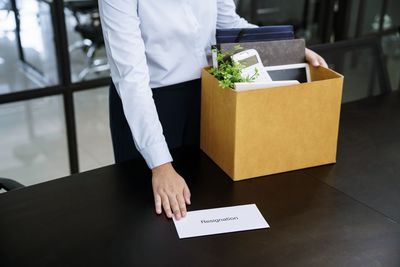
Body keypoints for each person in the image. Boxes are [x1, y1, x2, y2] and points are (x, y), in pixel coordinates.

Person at [98, 0, 327, 220]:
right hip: (148, 105)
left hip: (208, 95)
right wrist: (161, 165)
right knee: (150, 212)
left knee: (213, 197)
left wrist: (289, 47)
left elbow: (229, 24)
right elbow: (132, 79)